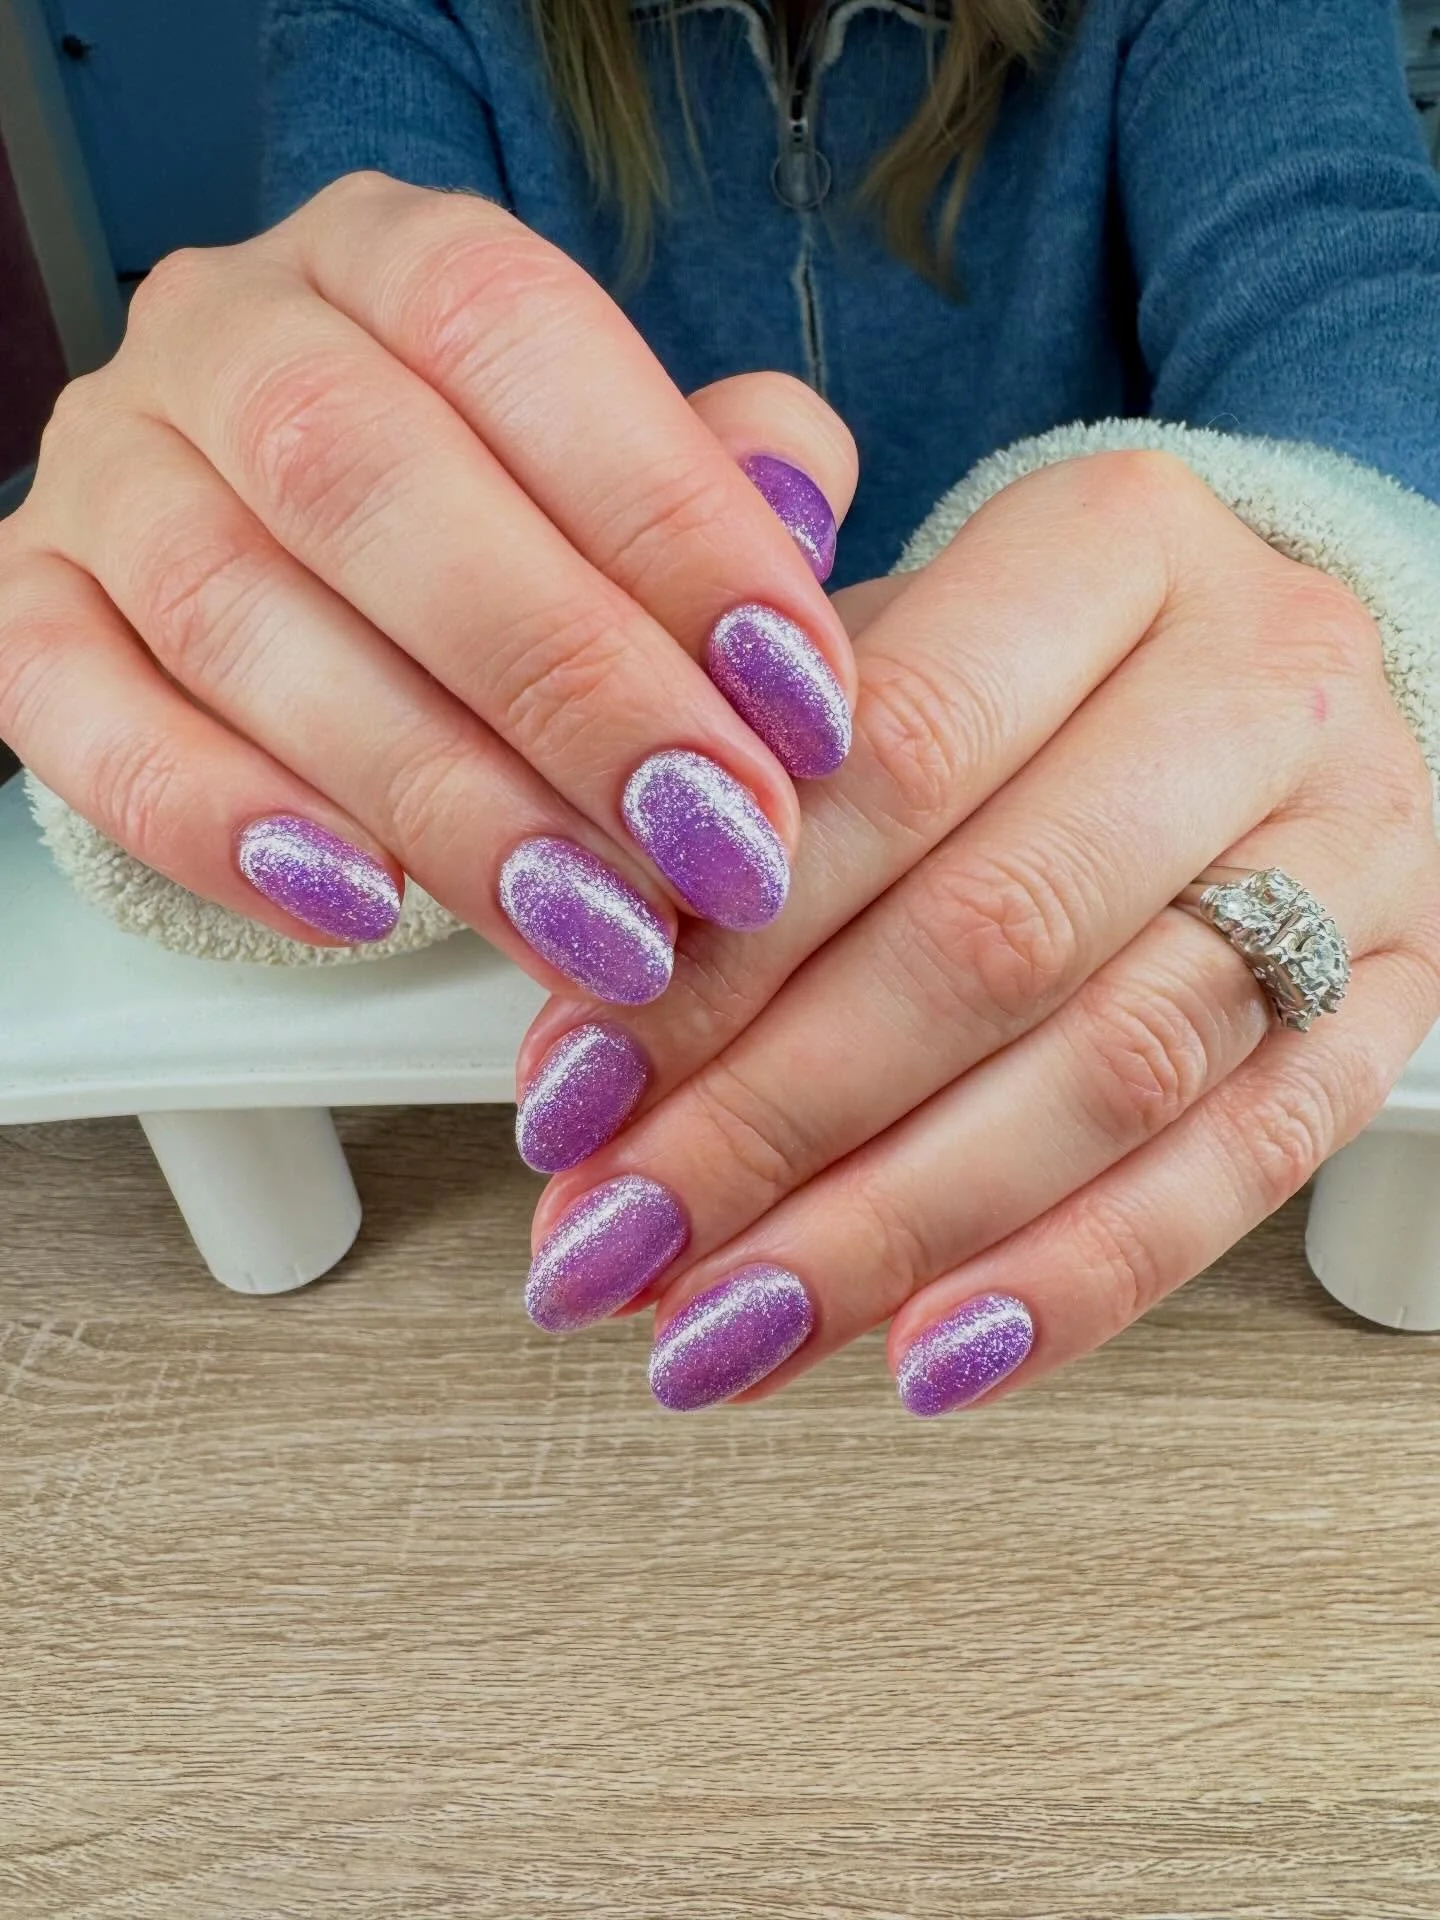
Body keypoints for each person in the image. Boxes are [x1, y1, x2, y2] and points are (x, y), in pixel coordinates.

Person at [2, 0, 1439, 1415]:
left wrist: (1335, 578)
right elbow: (343, 390)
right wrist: (216, 612)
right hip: (414, 1280)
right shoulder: (401, 20)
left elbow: (1343, 291)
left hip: (1186, 1305)